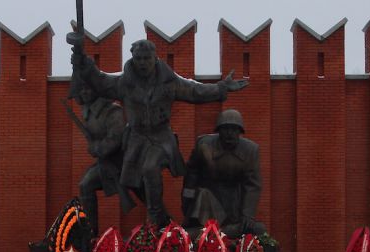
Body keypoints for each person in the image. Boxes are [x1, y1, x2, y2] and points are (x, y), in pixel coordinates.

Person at [69, 36, 248, 227]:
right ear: (133, 59)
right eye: (139, 58)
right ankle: (162, 221)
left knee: (150, 168)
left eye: (147, 58)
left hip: (161, 138)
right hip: (136, 140)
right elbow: (99, 81)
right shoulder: (124, 83)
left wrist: (221, 88)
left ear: (155, 58)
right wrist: (81, 58)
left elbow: (194, 91)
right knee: (134, 181)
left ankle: (155, 220)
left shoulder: (168, 82)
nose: (143, 62)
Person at [181, 109, 267, 238]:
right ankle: (203, 232)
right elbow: (191, 174)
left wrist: (248, 214)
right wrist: (187, 200)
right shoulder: (204, 145)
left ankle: (218, 232)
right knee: (203, 194)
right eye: (225, 129)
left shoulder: (250, 150)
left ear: (240, 132)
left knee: (257, 228)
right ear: (219, 131)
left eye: (234, 129)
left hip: (233, 202)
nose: (229, 134)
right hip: (207, 198)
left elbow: (252, 185)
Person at [73, 83, 135, 235]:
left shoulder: (113, 110)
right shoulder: (88, 112)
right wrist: (93, 147)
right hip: (105, 163)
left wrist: (97, 148)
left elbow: (116, 138)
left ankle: (163, 223)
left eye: (88, 88)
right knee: (85, 185)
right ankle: (90, 233)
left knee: (145, 193)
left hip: (123, 163)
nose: (84, 92)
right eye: (81, 89)